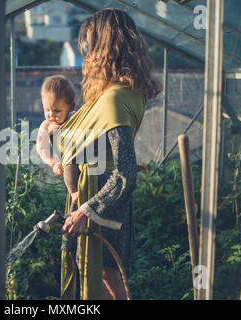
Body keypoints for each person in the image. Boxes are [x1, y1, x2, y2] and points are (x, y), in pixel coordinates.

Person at [58, 9, 162, 300]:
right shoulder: (118, 94)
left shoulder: (115, 98)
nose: (87, 54)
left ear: (106, 47)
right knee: (100, 274)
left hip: (101, 203)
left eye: (91, 46)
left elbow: (125, 172)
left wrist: (85, 210)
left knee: (106, 276)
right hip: (96, 197)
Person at [36, 75, 81, 205]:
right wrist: (53, 163)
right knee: (69, 166)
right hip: (67, 161)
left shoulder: (74, 117)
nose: (50, 114)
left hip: (85, 156)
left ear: (71, 107)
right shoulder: (47, 125)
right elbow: (41, 147)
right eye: (47, 109)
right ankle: (74, 192)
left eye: (56, 111)